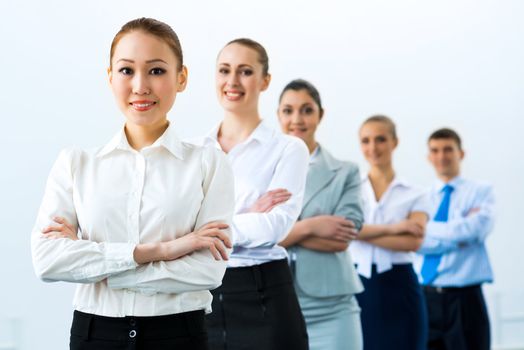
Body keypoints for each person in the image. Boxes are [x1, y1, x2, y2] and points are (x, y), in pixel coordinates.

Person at [31, 17, 235, 350]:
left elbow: (207, 272)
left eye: (156, 71)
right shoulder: (76, 164)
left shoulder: (209, 164)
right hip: (94, 335)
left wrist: (104, 270)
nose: (140, 86)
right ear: (110, 77)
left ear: (181, 78)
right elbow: (48, 260)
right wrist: (163, 251)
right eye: (126, 70)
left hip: (179, 335)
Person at [190, 38, 310, 350]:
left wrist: (201, 232)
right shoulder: (190, 152)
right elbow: (170, 227)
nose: (232, 81)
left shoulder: (288, 148)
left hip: (265, 292)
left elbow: (274, 227)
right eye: (224, 70)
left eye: (245, 71)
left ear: (265, 80)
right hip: (199, 293)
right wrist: (247, 216)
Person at [277, 79, 364, 350]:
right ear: (279, 115)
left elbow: (342, 238)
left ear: (320, 115)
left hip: (333, 306)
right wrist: (312, 226)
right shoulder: (261, 171)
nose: (297, 119)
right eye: (288, 111)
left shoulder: (345, 172)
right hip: (276, 303)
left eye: (306, 110)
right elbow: (246, 237)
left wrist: (280, 232)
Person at [350, 115, 429, 350]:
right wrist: (395, 228)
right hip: (358, 286)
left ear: (395, 142)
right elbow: (345, 230)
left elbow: (412, 242)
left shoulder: (416, 193)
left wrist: (361, 231)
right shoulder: (350, 189)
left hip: (401, 287)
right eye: (366, 141)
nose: (373, 148)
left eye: (380, 139)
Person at [416, 128, 495, 350]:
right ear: (428, 157)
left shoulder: (481, 191)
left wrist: (428, 228)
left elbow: (475, 231)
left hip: (465, 300)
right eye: (435, 150)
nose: (442, 156)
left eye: (448, 149)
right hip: (427, 298)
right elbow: (415, 242)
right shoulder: (421, 197)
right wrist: (458, 234)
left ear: (461, 153)